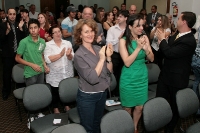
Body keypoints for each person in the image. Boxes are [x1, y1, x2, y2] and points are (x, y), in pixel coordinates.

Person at [156, 11, 196, 133]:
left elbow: (170, 53)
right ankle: (157, 125)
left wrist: (162, 40)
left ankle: (169, 129)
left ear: (184, 22)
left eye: (178, 18)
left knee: (174, 107)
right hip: (165, 76)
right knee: (159, 103)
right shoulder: (176, 35)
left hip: (177, 80)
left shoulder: (190, 41)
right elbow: (165, 51)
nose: (175, 20)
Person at [74, 19, 113, 133]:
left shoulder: (97, 48)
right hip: (88, 97)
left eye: (91, 31)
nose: (90, 34)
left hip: (102, 93)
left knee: (97, 125)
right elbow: (92, 78)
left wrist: (109, 58)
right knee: (88, 129)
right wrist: (102, 59)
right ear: (80, 35)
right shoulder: (78, 55)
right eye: (86, 32)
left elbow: (109, 72)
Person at [119, 14, 154, 133]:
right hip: (128, 78)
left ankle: (134, 127)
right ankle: (126, 127)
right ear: (130, 27)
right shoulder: (123, 41)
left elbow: (152, 58)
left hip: (142, 77)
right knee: (127, 108)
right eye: (137, 26)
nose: (141, 28)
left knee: (140, 107)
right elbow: (127, 62)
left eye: (142, 25)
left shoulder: (144, 37)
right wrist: (139, 48)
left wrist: (146, 49)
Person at [44, 25, 74, 113]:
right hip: (55, 74)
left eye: (59, 31)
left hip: (67, 72)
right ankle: (55, 107)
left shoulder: (67, 43)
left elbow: (72, 57)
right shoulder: (48, 45)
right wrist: (60, 55)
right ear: (51, 35)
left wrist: (69, 55)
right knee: (55, 91)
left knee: (66, 90)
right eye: (55, 32)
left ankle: (66, 105)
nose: (58, 34)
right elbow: (48, 59)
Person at [0, 8, 24, 100]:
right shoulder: (2, 25)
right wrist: (6, 32)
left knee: (20, 72)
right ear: (7, 15)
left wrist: (22, 29)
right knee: (7, 74)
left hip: (19, 54)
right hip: (7, 54)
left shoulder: (19, 24)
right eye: (10, 14)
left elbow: (24, 39)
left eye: (14, 14)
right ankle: (6, 91)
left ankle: (21, 90)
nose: (12, 16)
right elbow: (1, 40)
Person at [106, 10, 128, 96]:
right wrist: (119, 38)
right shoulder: (112, 29)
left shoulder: (129, 29)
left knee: (124, 75)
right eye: (118, 16)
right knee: (114, 76)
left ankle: (123, 93)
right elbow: (108, 44)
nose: (118, 18)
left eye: (120, 16)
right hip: (115, 55)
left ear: (126, 18)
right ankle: (113, 94)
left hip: (126, 55)